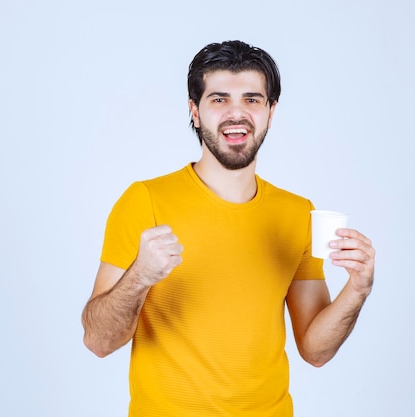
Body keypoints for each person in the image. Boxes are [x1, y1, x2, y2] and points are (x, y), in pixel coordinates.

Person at [82, 40, 375, 416]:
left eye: (252, 100)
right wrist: (140, 276)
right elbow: (98, 340)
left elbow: (316, 351)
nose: (237, 113)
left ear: (271, 112)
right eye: (219, 99)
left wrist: (358, 289)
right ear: (195, 111)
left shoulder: (298, 214)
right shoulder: (145, 201)